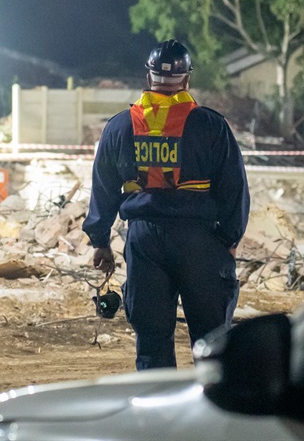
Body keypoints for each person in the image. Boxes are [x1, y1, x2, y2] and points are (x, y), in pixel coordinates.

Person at [83, 39, 249, 370]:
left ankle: (157, 414)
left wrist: (100, 241)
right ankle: (212, 414)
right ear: (186, 80)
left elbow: (103, 188)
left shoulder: (119, 127)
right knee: (213, 342)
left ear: (149, 77)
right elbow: (234, 189)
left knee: (152, 342)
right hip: (200, 241)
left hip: (145, 241)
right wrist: (229, 240)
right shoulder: (211, 125)